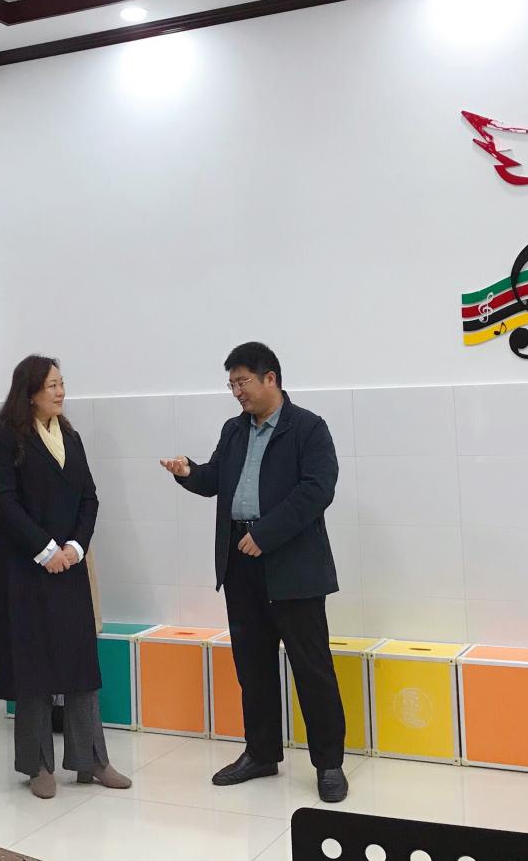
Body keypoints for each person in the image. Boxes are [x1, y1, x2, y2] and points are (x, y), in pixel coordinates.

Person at [160, 341, 348, 803]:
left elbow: (318, 490)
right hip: (240, 562)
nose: (237, 392)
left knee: (312, 668)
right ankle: (261, 754)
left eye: (242, 382)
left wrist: (267, 533)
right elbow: (215, 480)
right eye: (231, 384)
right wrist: (188, 472)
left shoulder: (308, 428)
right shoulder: (234, 430)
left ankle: (329, 764)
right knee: (253, 667)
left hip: (293, 566)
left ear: (270, 378)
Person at [0, 355, 131, 800]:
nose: (61, 392)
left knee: (81, 662)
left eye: (62, 383)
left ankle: (92, 760)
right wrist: (45, 550)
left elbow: (89, 498)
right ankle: (38, 765)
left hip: (69, 564)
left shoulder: (70, 435)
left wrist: (75, 547)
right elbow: (4, 503)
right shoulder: (3, 439)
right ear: (29, 392)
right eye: (52, 385)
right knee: (33, 665)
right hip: (24, 568)